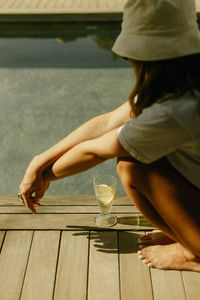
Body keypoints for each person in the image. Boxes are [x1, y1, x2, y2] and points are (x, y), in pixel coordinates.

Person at [19, 0, 200, 271]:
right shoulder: (183, 83)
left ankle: (194, 252)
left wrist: (46, 176)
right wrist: (39, 161)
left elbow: (95, 150)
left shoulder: (175, 111)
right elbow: (107, 122)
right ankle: (186, 233)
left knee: (132, 167)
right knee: (139, 158)